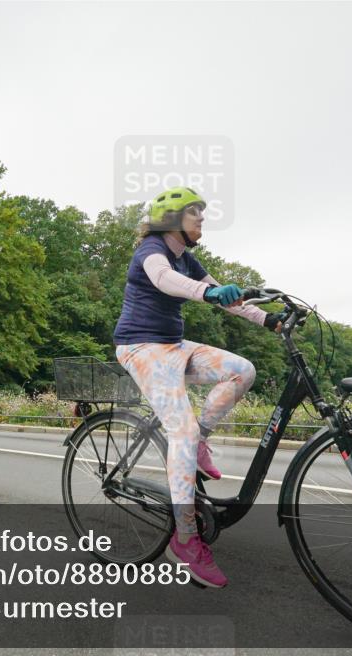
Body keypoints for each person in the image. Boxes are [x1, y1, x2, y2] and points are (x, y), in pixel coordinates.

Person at [113, 186, 282, 589]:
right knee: (181, 431)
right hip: (141, 348)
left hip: (174, 346)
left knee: (242, 370)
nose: (202, 219)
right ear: (173, 220)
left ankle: (200, 441)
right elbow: (165, 280)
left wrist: (269, 321)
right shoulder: (152, 251)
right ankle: (185, 540)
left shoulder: (187, 257)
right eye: (195, 213)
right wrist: (205, 292)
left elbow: (228, 299)